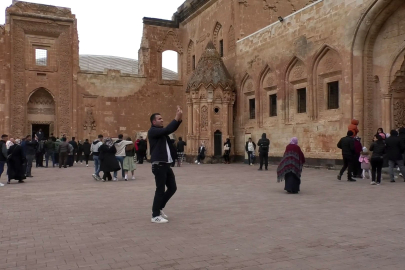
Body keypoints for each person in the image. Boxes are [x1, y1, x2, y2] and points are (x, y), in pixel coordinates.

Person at [148, 107, 182, 223]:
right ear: (154, 122)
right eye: (159, 119)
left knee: (172, 188)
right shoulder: (153, 131)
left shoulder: (162, 133)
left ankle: (159, 207)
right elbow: (167, 129)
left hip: (166, 165)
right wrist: (176, 118)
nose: (162, 120)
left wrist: (179, 119)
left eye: (162, 118)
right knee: (160, 190)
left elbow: (169, 130)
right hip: (159, 165)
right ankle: (155, 215)